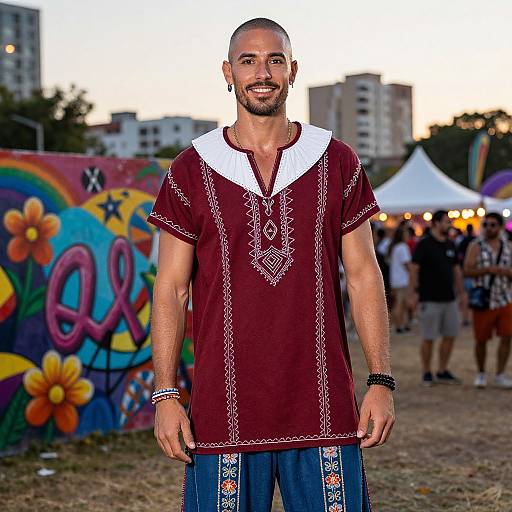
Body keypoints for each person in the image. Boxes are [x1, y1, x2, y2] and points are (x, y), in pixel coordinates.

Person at [146, 18, 395, 511]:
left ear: (292, 70)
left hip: (323, 404)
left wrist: (381, 380)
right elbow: (172, 288)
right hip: (223, 410)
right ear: (227, 72)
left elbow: (365, 274)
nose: (262, 72)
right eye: (248, 60)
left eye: (274, 60)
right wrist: (165, 394)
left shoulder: (335, 159)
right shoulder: (191, 167)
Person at [408, 210, 466, 386]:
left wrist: (462, 292)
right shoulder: (424, 245)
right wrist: (412, 294)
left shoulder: (450, 244)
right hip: (429, 299)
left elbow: (456, 270)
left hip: (449, 299)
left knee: (450, 335)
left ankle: (442, 370)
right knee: (429, 337)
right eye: (447, 222)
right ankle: (426, 371)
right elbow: (414, 269)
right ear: (436, 223)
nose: (450, 225)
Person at [463, 212, 512, 389]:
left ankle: (500, 374)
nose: (489, 228)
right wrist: (489, 270)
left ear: (499, 227)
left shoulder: (508, 246)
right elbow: (467, 270)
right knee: (481, 339)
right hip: (483, 300)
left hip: (505, 298)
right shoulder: (475, 246)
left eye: (492, 225)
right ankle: (481, 373)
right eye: (486, 225)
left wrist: (507, 273)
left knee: (507, 337)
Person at [387, 226, 412, 334]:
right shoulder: (402, 247)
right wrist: (413, 275)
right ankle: (399, 326)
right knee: (400, 303)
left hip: (396, 279)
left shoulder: (394, 247)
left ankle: (400, 324)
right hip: (402, 279)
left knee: (399, 303)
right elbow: (406, 264)